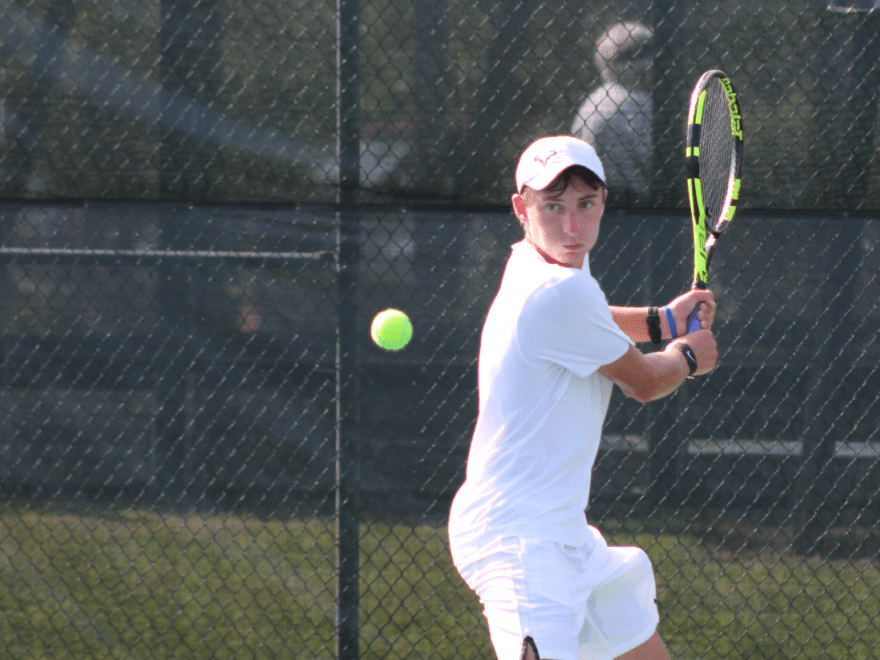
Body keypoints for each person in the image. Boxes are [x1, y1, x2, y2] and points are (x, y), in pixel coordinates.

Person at [448, 135, 718, 660]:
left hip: (564, 536)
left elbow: (587, 319)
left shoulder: (540, 264)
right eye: (553, 206)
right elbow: (642, 381)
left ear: (603, 203)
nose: (571, 228)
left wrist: (660, 320)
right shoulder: (557, 289)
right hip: (519, 545)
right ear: (521, 209)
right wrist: (688, 355)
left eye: (585, 205)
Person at [571, 22, 654, 199]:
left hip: (591, 201)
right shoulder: (640, 103)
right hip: (636, 204)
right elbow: (653, 161)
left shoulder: (591, 102)